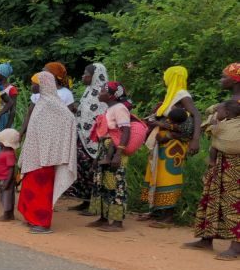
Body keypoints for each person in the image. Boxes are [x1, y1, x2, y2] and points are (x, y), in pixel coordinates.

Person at [186, 64, 240, 260]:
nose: (220, 79)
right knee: (212, 196)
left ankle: (236, 246)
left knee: (235, 202)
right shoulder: (229, 102)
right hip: (220, 158)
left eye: (223, 76)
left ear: (235, 80)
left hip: (237, 161)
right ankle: (207, 237)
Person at [16, 71, 78, 234]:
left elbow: (70, 120)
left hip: (46, 159)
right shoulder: (42, 102)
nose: (32, 86)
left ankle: (42, 223)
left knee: (41, 191)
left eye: (34, 83)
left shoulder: (53, 105)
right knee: (31, 188)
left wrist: (55, 148)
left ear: (43, 84)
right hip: (35, 156)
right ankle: (32, 218)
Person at [140, 66, 202, 226]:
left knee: (169, 175)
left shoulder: (182, 95)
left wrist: (196, 139)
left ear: (172, 77)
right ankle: (157, 211)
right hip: (163, 142)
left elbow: (196, 115)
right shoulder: (172, 95)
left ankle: (169, 216)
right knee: (157, 175)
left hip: (174, 144)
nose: (164, 79)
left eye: (166, 76)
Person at [87, 81, 133, 232]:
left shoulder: (119, 109)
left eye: (102, 91)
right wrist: (97, 157)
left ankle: (118, 222)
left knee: (116, 185)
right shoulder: (110, 109)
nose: (99, 93)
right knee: (103, 184)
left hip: (115, 151)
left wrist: (118, 153)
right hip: (105, 149)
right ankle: (104, 217)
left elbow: (125, 131)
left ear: (112, 95)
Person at [67, 63, 109, 209]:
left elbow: (101, 118)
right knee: (83, 170)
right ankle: (85, 201)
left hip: (94, 140)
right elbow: (85, 114)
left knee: (92, 169)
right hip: (82, 137)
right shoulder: (88, 91)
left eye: (86, 73)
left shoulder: (103, 94)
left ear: (95, 76)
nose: (83, 76)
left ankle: (94, 204)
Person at [0, 62, 18, 184]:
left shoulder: (11, 89)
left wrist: (7, 126)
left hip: (3, 120)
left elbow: (12, 109)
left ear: (4, 75)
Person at [0, 129, 20, 221]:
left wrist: (7, 182)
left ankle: (6, 214)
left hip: (5, 179)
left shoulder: (9, 154)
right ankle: (10, 214)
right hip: (2, 178)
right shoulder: (5, 151)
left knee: (6, 197)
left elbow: (11, 168)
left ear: (4, 143)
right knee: (5, 196)